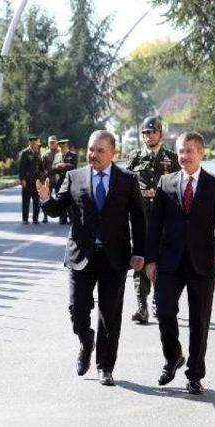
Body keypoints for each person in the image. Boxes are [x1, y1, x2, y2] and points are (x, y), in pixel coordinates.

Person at [38, 130, 145, 386]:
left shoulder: (127, 180)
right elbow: (56, 210)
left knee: (110, 315)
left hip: (114, 258)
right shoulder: (73, 177)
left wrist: (140, 252)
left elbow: (140, 218)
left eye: (99, 150)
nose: (93, 155)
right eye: (90, 149)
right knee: (77, 309)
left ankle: (105, 367)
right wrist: (45, 198)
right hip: (80, 256)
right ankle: (87, 342)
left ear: (113, 153)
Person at [145, 131, 215, 395]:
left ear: (201, 153)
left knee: (199, 320)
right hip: (169, 262)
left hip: (203, 264)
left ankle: (194, 374)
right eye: (181, 151)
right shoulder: (166, 182)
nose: (184, 156)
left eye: (190, 151)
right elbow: (155, 225)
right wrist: (150, 259)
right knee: (164, 311)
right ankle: (173, 357)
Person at [127, 116, 180, 324]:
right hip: (141, 217)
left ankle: (159, 300)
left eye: (152, 132)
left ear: (160, 134)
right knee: (139, 260)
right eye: (145, 133)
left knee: (162, 260)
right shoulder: (135, 157)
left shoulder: (171, 158)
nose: (149, 136)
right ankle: (142, 306)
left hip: (164, 218)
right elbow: (127, 188)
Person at [18, 136, 43, 224]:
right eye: (32, 143)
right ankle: (25, 219)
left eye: (35, 143)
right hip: (27, 180)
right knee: (26, 200)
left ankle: (35, 218)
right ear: (29, 143)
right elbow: (22, 167)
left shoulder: (38, 153)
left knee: (36, 200)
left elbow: (40, 167)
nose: (34, 144)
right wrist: (22, 179)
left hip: (36, 181)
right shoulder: (25, 153)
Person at [53, 139, 78, 225]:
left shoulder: (73, 155)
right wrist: (58, 167)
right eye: (60, 147)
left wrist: (65, 165)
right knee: (59, 199)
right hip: (59, 181)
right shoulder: (57, 156)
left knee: (69, 200)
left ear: (66, 146)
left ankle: (71, 218)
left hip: (69, 180)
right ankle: (62, 219)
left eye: (63, 147)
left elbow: (74, 167)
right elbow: (53, 168)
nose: (62, 149)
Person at [40, 135, 60, 223]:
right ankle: (45, 216)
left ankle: (61, 216)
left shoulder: (61, 153)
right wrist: (42, 179)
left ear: (57, 143)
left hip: (59, 179)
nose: (51, 144)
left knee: (60, 197)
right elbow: (41, 168)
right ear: (48, 144)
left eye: (53, 142)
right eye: (50, 142)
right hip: (49, 180)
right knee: (46, 197)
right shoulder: (45, 155)